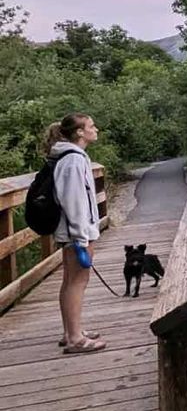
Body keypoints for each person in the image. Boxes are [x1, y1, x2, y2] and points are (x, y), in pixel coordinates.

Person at [45, 113, 106, 354]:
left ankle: (71, 330)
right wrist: (81, 237)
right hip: (76, 233)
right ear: (80, 132)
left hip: (73, 231)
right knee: (77, 281)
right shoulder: (72, 160)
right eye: (91, 125)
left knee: (71, 280)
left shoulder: (72, 157)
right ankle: (75, 339)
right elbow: (73, 201)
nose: (96, 129)